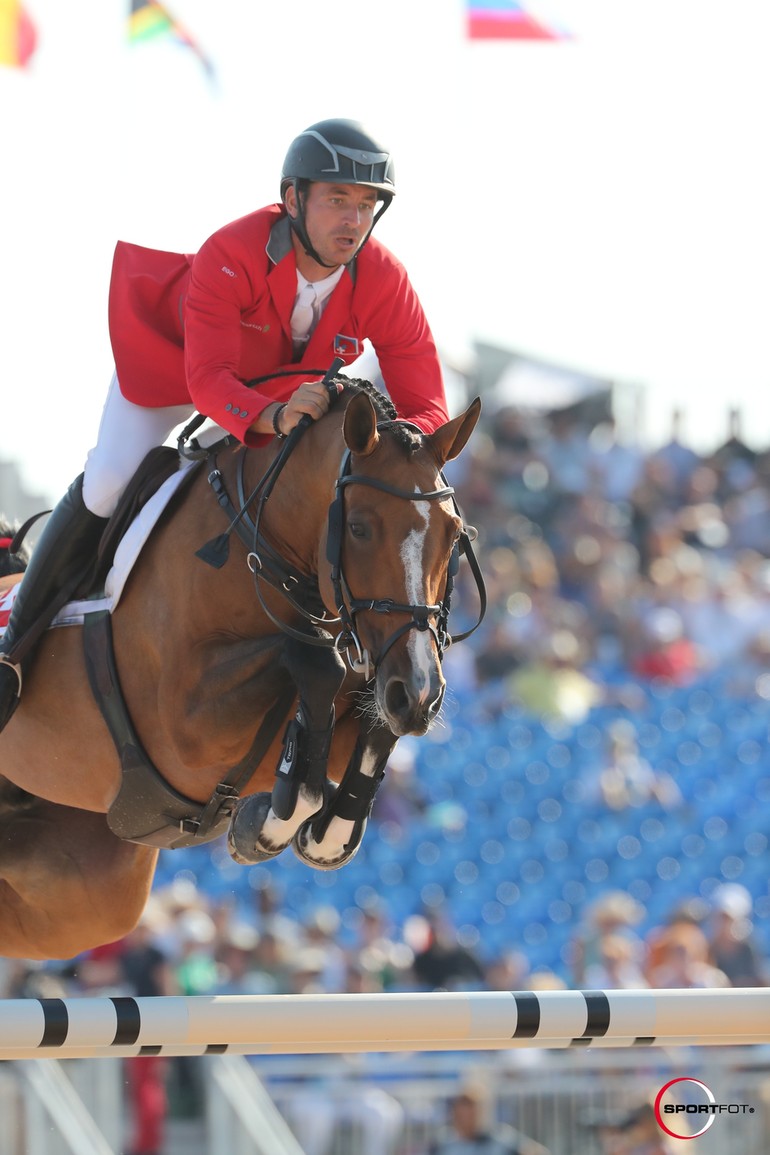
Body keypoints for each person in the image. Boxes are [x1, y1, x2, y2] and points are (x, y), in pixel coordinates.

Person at [0, 118, 449, 730]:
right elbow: (209, 380)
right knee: (109, 480)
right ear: (293, 200)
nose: (353, 219)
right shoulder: (233, 252)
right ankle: (14, 641)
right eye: (337, 200)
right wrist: (267, 415)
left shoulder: (384, 278)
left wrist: (404, 452)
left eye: (367, 205)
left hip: (285, 395)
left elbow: (427, 405)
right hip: (179, 371)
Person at [428, 1081, 550, 1155]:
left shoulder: (501, 1141)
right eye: (462, 1114)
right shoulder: (442, 1144)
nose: (467, 1118)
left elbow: (536, 1152)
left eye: (472, 1113)